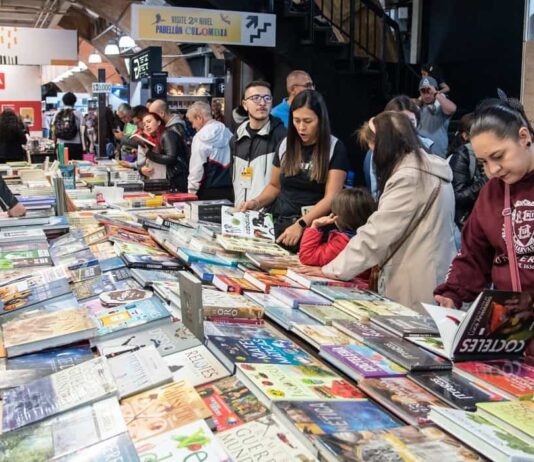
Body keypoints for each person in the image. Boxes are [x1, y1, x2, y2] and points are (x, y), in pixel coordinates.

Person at [299, 111, 456, 311]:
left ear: (385, 145)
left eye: (374, 149)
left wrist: (333, 271)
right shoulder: (431, 169)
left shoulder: (409, 177)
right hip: (433, 273)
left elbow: (377, 234)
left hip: (415, 279)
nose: (373, 157)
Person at [434, 98, 534, 309]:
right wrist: (452, 292)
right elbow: (473, 253)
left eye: (498, 156)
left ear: (524, 137)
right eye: (484, 162)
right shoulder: (492, 192)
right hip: (512, 330)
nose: (493, 170)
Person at [240, 90, 349, 252]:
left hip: (313, 229)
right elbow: (274, 186)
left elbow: (331, 197)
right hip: (279, 222)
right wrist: (255, 202)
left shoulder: (334, 148)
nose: (301, 127)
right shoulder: (285, 144)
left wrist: (301, 224)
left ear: (321, 120)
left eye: (308, 121)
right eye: (296, 121)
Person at [364, 95, 436, 198]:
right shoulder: (376, 150)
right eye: (399, 122)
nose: (405, 128)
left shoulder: (427, 146)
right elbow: (375, 192)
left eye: (411, 122)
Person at [231, 80, 287, 206]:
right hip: (241, 211)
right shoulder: (237, 138)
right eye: (255, 98)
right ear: (245, 104)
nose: (262, 103)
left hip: (268, 215)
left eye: (267, 98)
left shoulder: (282, 137)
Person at [299, 187, 376, 267]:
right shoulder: (371, 238)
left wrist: (315, 226)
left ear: (337, 216)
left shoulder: (342, 243)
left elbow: (307, 257)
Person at [448, 113, 488, 230]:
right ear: (466, 136)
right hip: (467, 224)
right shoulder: (462, 156)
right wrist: (487, 179)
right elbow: (458, 196)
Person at [186, 101, 233, 200]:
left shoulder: (199, 138)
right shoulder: (228, 132)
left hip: (206, 190)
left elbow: (197, 168)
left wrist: (191, 191)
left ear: (199, 117)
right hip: (230, 188)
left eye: (192, 122)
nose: (193, 126)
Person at [148, 99, 189, 191]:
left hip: (177, 178)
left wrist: (150, 154)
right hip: (182, 175)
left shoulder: (170, 131)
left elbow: (170, 158)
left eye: (153, 116)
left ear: (161, 113)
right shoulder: (179, 126)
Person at [417, 77, 457, 158]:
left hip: (437, 155)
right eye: (423, 91)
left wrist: (436, 93)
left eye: (429, 91)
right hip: (420, 155)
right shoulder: (417, 106)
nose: (426, 94)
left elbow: (452, 109)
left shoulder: (440, 106)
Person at [52, 92, 85, 160]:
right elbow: (83, 132)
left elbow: (53, 129)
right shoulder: (78, 114)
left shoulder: (58, 113)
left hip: (61, 144)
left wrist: (54, 143)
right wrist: (85, 146)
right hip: (76, 144)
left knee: (63, 166)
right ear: (74, 102)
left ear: (63, 101)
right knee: (76, 166)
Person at [138, 112, 166, 179]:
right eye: (144, 124)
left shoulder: (166, 136)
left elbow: (170, 159)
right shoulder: (144, 140)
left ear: (158, 122)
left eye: (149, 121)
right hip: (152, 178)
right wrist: (142, 170)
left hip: (166, 179)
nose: (146, 125)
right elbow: (141, 163)